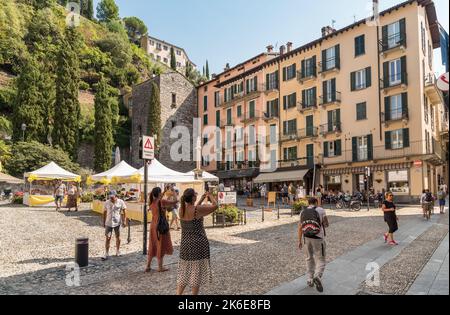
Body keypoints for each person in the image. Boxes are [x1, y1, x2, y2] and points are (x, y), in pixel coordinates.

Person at [176, 189, 218, 295]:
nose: (196, 195)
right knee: (195, 272)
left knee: (184, 271)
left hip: (185, 244)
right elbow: (215, 205)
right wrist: (210, 195)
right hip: (198, 244)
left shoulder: (182, 209)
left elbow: (195, 210)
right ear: (193, 197)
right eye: (195, 194)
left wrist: (200, 200)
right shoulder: (197, 210)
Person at [298, 197, 329, 293]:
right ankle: (318, 276)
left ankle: (310, 279)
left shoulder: (302, 212)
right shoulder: (320, 210)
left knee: (309, 258)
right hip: (318, 238)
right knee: (321, 258)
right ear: (316, 202)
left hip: (306, 238)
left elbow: (300, 228)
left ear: (308, 203)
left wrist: (299, 241)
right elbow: (326, 224)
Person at [145, 187, 178, 273]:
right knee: (161, 245)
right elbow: (175, 201)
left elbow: (159, 199)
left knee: (152, 245)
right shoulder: (162, 201)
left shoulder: (151, 202)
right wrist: (173, 192)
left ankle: (148, 266)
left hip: (153, 225)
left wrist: (163, 191)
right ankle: (160, 267)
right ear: (159, 194)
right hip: (160, 226)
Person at [102, 190, 127, 260]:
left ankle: (118, 251)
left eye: (112, 197)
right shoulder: (107, 202)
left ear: (116, 196)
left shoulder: (121, 202)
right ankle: (106, 253)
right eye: (110, 197)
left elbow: (124, 211)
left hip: (117, 223)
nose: (111, 198)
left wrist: (124, 220)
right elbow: (104, 212)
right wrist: (103, 222)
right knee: (108, 238)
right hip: (108, 223)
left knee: (118, 237)